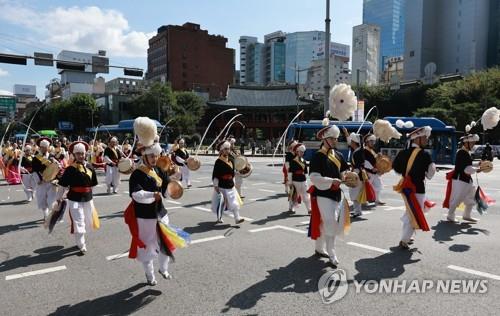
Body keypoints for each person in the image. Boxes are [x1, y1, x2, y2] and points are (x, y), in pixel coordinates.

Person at [125, 117, 180, 286]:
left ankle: (163, 268)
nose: (155, 159)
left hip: (161, 213)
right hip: (144, 216)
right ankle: (150, 275)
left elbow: (167, 187)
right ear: (145, 156)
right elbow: (136, 194)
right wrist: (151, 195)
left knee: (166, 242)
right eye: (152, 156)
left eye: (156, 155)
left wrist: (177, 179)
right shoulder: (137, 174)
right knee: (148, 248)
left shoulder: (158, 170)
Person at [308, 125, 350, 267]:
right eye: (332, 138)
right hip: (323, 193)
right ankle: (331, 252)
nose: (335, 141)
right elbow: (314, 177)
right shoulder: (317, 156)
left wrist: (347, 177)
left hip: (337, 194)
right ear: (325, 139)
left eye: (336, 139)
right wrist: (332, 181)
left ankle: (319, 248)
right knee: (330, 221)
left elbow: (344, 170)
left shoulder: (339, 155)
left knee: (327, 222)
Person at [393, 126, 436, 249]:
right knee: (414, 213)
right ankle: (404, 240)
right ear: (417, 139)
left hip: (405, 187)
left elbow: (396, 168)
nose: (427, 140)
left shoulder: (402, 153)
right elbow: (430, 174)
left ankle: (407, 236)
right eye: (425, 137)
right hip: (418, 188)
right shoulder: (424, 154)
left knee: (410, 211)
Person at [56, 141, 99, 254]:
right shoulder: (70, 169)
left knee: (86, 220)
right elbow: (62, 185)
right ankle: (81, 244)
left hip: (88, 198)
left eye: (82, 153)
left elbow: (93, 184)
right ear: (74, 155)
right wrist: (59, 197)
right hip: (74, 198)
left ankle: (79, 239)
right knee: (79, 221)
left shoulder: (90, 166)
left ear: (85, 154)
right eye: (78, 153)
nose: (81, 155)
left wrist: (90, 195)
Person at [443, 134, 481, 223]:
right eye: (472, 143)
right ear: (466, 143)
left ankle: (467, 215)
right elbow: (466, 169)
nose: (473, 145)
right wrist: (478, 169)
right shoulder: (462, 152)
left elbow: (468, 165)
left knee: (471, 197)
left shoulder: (465, 152)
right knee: (457, 198)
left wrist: (477, 165)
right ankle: (450, 215)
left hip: (466, 179)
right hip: (461, 180)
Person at [211, 141, 245, 225]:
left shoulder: (231, 160)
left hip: (230, 184)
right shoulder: (218, 162)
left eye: (228, 149)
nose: (227, 151)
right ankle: (219, 217)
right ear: (222, 150)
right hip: (222, 185)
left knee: (234, 201)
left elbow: (233, 172)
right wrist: (215, 185)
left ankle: (237, 218)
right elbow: (216, 174)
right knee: (221, 202)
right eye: (225, 149)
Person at [32, 137, 59, 220]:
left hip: (51, 181)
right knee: (42, 198)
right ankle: (45, 214)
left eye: (45, 147)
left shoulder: (52, 156)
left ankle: (52, 213)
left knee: (52, 199)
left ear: (48, 147)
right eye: (42, 147)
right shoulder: (36, 158)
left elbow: (57, 168)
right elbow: (34, 170)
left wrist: (57, 178)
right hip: (42, 181)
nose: (43, 148)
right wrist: (38, 180)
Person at [287, 143, 311, 214]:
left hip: (303, 180)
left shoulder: (304, 161)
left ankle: (309, 209)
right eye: (301, 152)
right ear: (297, 152)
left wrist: (307, 180)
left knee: (306, 195)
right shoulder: (293, 161)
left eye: (303, 152)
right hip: (295, 180)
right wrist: (290, 182)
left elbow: (306, 172)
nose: (302, 153)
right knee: (294, 195)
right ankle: (291, 207)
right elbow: (290, 172)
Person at [364, 134, 385, 205]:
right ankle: (364, 200)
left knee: (378, 185)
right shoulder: (364, 150)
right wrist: (372, 168)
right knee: (366, 186)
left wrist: (377, 156)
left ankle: (377, 199)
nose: (373, 143)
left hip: (374, 171)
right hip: (368, 171)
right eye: (371, 141)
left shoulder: (371, 150)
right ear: (367, 142)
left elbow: (373, 159)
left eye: (373, 141)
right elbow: (365, 161)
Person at [347, 132, 364, 217]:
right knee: (355, 193)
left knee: (355, 193)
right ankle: (357, 210)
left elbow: (358, 166)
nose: (351, 143)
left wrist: (352, 175)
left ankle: (357, 211)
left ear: (354, 142)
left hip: (357, 175)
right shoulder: (357, 151)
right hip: (357, 174)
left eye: (352, 141)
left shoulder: (358, 152)